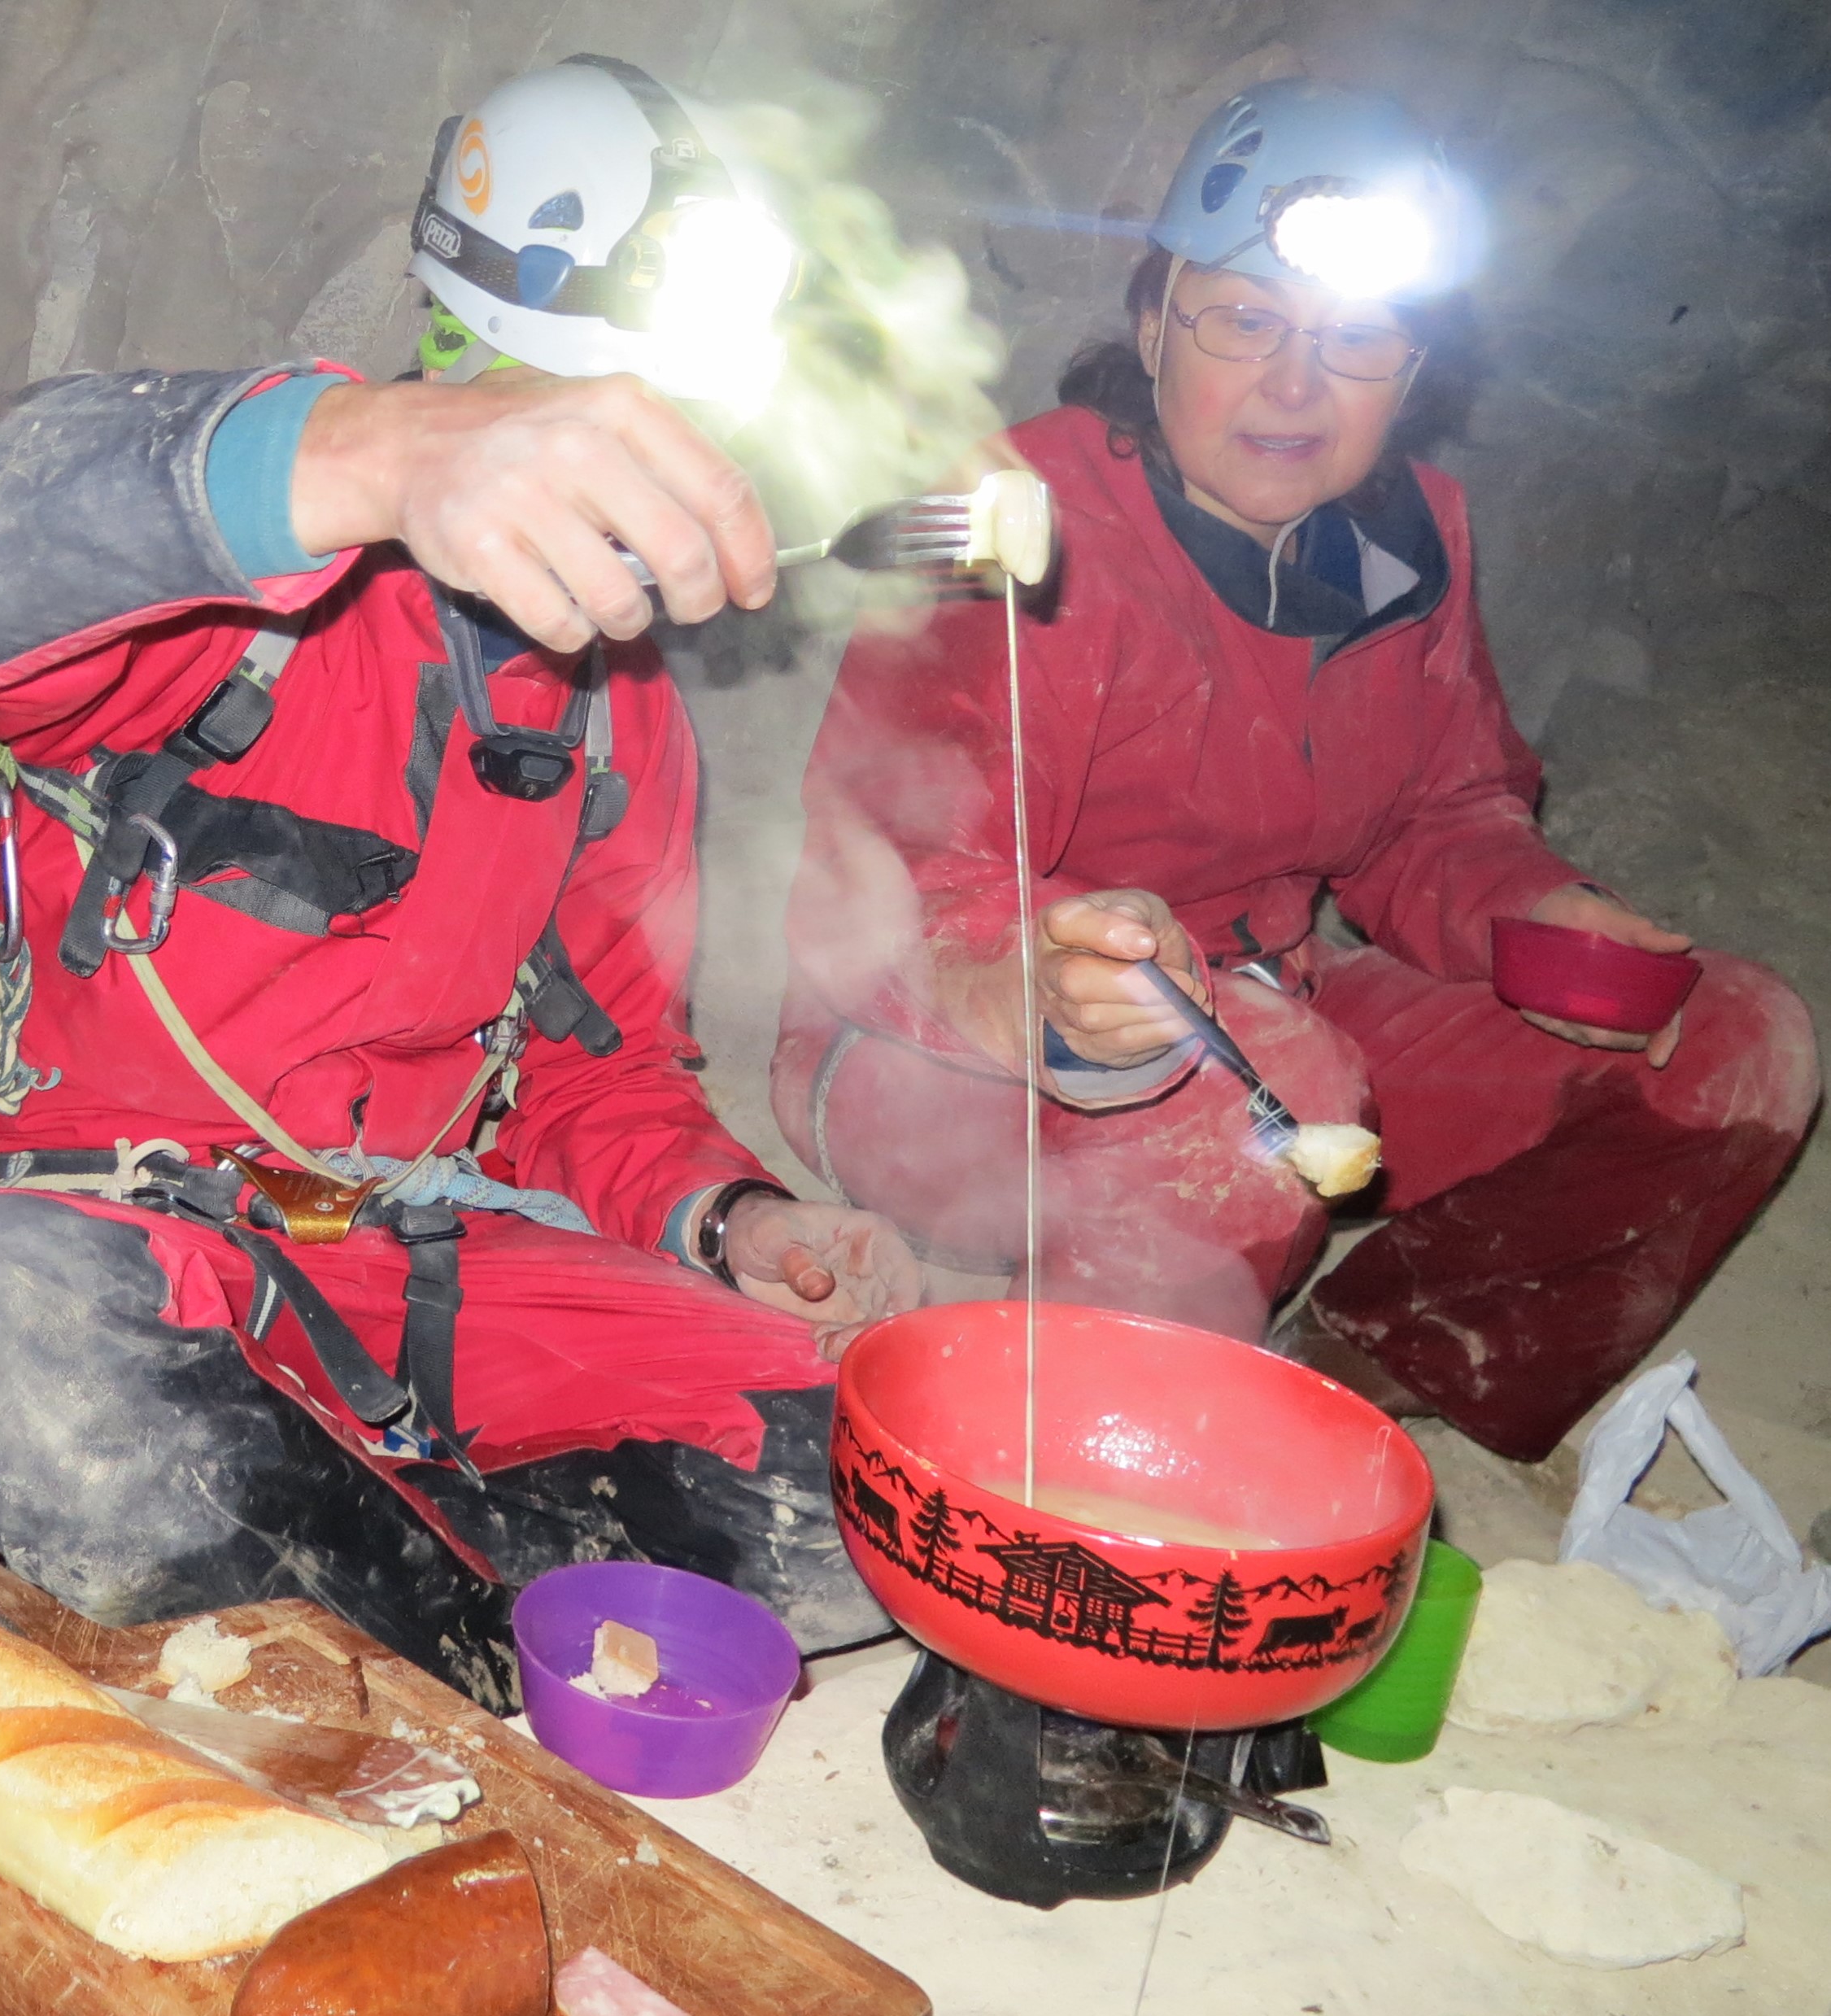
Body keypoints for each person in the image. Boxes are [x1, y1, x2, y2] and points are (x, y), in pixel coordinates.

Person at [0, 54, 918, 1709]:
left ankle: (360, 1612)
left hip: (417, 1267)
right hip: (137, 1250)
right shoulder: (254, 576)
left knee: (864, 1465)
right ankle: (410, 1612)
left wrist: (731, 1213)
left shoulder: (616, 719)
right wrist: (377, 458)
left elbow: (597, 1066)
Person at [774, 78, 1818, 1465]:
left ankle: (1369, 1360)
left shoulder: (1409, 539)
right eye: (1244, 323)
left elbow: (1439, 812)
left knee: (1735, 1039)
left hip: (1269, 1004)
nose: (1294, 385)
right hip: (937, 1052)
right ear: (1153, 328)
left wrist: (1536, 911)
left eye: (1355, 340)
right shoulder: (1020, 521)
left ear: (1413, 368)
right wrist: (1034, 975)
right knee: (1273, 1085)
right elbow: (893, 879)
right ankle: (1092, 1458)